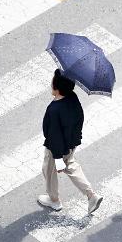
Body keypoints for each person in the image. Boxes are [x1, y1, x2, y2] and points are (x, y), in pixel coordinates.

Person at [37, 69, 103, 215]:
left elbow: (53, 136)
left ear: (56, 87)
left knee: (48, 171)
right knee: (71, 165)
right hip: (71, 144)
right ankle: (91, 195)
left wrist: (58, 157)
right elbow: (80, 117)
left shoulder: (54, 109)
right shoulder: (73, 97)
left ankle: (54, 200)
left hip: (56, 149)